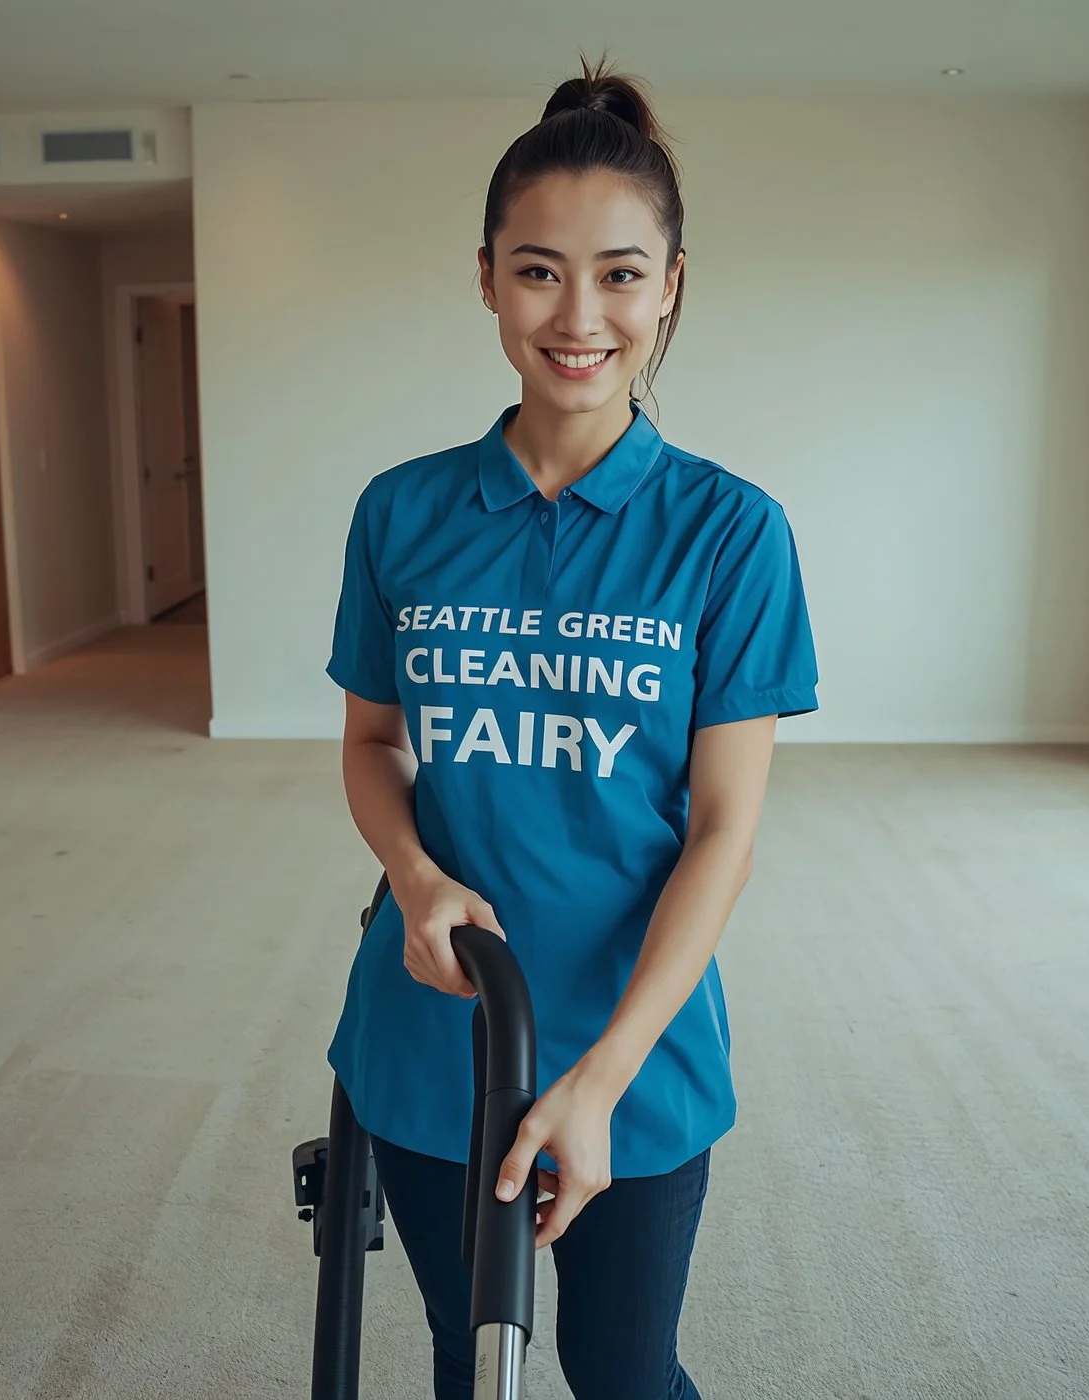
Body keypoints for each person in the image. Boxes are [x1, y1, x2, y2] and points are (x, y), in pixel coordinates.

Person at [323, 58, 819, 1400]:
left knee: (619, 1369)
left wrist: (602, 1079)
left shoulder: (731, 533)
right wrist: (420, 882)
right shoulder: (402, 513)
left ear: (669, 287)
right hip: (436, 1030)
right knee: (465, 1353)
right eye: (539, 271)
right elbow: (373, 746)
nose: (578, 314)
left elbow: (726, 831)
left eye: (618, 273)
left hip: (634, 1045)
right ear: (486, 277)